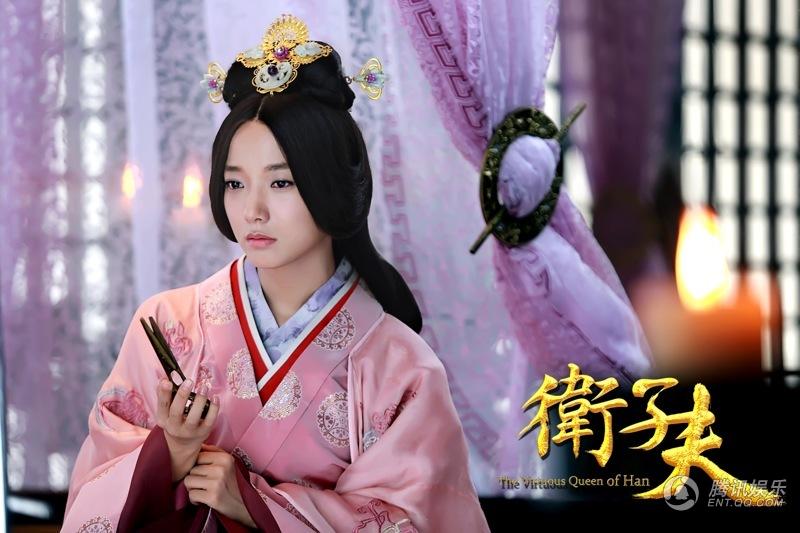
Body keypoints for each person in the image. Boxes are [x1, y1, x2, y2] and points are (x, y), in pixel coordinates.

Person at [62, 13, 490, 533]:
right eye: (235, 184)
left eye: (281, 183)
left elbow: (418, 520)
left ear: (333, 186)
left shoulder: (401, 368)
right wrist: (169, 454)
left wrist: (252, 503)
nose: (253, 211)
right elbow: (93, 494)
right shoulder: (167, 327)